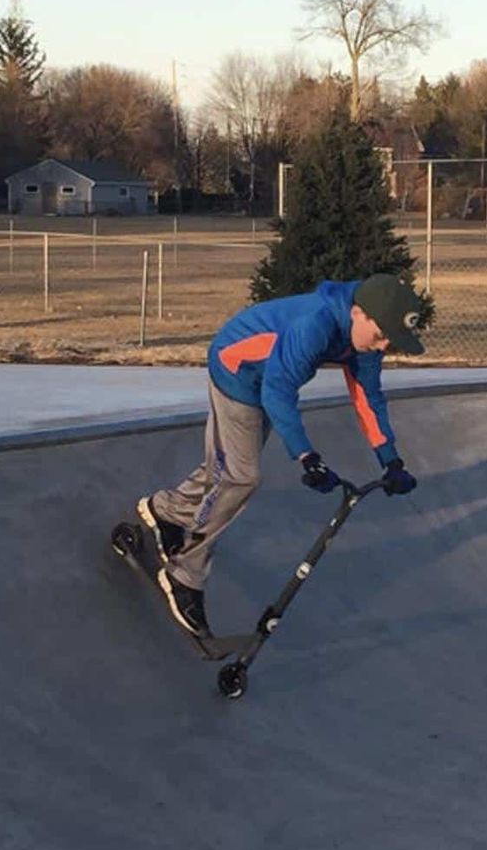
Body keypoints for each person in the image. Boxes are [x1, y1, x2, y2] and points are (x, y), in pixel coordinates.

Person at [137, 273, 424, 638]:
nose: (383, 346)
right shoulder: (315, 325)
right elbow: (278, 391)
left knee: (228, 467)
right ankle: (184, 574)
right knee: (241, 477)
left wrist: (391, 460)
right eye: (380, 335)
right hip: (237, 369)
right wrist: (306, 455)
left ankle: (166, 510)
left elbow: (368, 398)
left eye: (389, 340)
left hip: (268, 376)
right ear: (358, 313)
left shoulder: (364, 341)